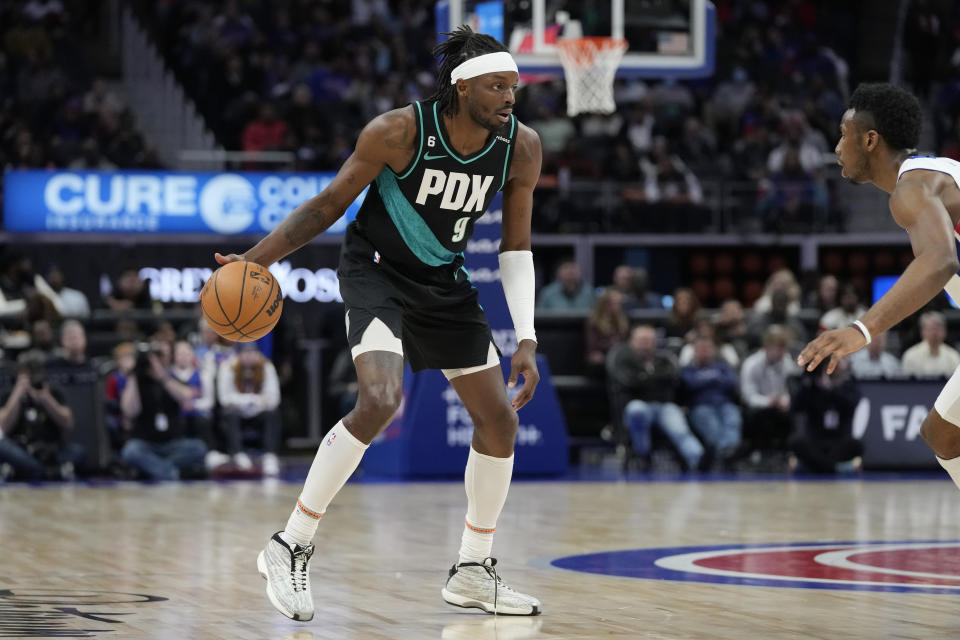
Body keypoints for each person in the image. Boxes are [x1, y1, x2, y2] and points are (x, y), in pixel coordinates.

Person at [213, 26, 543, 620]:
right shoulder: (398, 131)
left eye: (513, 87)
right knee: (381, 398)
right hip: (376, 272)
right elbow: (327, 206)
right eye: (497, 86)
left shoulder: (521, 148)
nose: (509, 97)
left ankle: (472, 568)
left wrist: (527, 337)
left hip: (444, 283)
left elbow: (515, 248)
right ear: (463, 88)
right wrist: (253, 261)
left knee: (499, 421)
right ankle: (290, 542)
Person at [796, 82, 960, 489]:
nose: (836, 147)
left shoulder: (912, 187)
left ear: (870, 140)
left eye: (842, 134)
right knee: (942, 433)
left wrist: (861, 329)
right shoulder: (933, 175)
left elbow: (940, 261)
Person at [607, 325, 704, 471]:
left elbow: (673, 378)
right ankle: (642, 454)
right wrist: (652, 379)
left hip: (664, 405)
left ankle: (698, 459)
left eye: (649, 340)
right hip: (638, 404)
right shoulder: (622, 359)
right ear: (632, 341)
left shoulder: (665, 359)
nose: (645, 344)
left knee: (679, 429)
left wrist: (644, 378)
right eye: (642, 340)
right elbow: (628, 381)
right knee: (636, 410)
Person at [118, 340, 207, 480]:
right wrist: (133, 375)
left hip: (173, 444)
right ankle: (168, 472)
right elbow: (129, 411)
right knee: (130, 451)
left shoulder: (172, 378)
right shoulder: (136, 381)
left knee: (198, 448)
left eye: (161, 355)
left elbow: (186, 397)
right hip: (145, 444)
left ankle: (153, 470)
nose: (157, 360)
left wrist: (163, 377)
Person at [0, 350, 81, 480]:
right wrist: (17, 394)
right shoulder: (10, 394)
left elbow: (68, 423)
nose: (32, 376)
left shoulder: (53, 392)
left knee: (78, 451)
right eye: (27, 372)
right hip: (21, 450)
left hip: (51, 449)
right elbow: (3, 427)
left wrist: (46, 400)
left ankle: (32, 470)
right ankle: (48, 471)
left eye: (35, 371)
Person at [217, 342, 282, 475]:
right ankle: (238, 454)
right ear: (239, 354)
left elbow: (274, 399)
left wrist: (246, 401)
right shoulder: (228, 366)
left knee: (273, 414)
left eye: (252, 352)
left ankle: (270, 456)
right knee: (230, 414)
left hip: (257, 413)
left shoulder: (266, 366)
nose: (249, 356)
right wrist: (253, 399)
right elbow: (224, 399)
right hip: (238, 414)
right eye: (245, 353)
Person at [680, 334, 742, 469]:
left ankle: (728, 453)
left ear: (714, 350)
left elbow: (732, 383)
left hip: (724, 404)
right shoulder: (688, 369)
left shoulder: (723, 367)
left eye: (707, 348)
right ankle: (725, 457)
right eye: (701, 349)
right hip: (700, 407)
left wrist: (704, 381)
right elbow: (690, 384)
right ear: (695, 351)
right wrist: (715, 379)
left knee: (733, 418)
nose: (704, 352)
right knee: (712, 425)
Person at [739, 325, 797, 463]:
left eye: (783, 348)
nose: (781, 352)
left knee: (794, 413)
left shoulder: (787, 363)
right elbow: (748, 396)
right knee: (759, 415)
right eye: (778, 348)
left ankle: (786, 453)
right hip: (759, 407)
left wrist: (784, 401)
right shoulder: (751, 364)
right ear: (767, 347)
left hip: (780, 406)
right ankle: (759, 452)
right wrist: (767, 401)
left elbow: (790, 390)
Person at [900, 311, 960, 378]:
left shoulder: (953, 356)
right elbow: (906, 386)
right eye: (931, 329)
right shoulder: (910, 355)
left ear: (945, 331)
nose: (934, 333)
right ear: (922, 331)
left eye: (938, 329)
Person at [584, 289, 629, 371]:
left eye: (619, 304)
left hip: (618, 355)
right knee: (597, 359)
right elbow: (593, 345)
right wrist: (612, 344)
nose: (618, 306)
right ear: (606, 304)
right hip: (602, 354)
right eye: (615, 303)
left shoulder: (623, 321)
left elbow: (625, 341)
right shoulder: (595, 321)